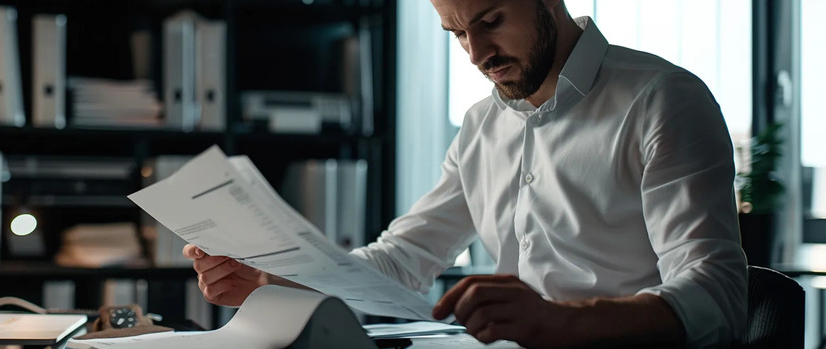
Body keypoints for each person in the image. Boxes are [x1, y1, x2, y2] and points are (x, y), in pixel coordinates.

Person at [183, 0, 747, 346]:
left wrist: (557, 322)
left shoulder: (662, 99)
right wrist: (274, 278)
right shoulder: (481, 125)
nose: (477, 53)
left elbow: (714, 296)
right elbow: (402, 261)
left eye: (491, 21)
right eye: (456, 33)